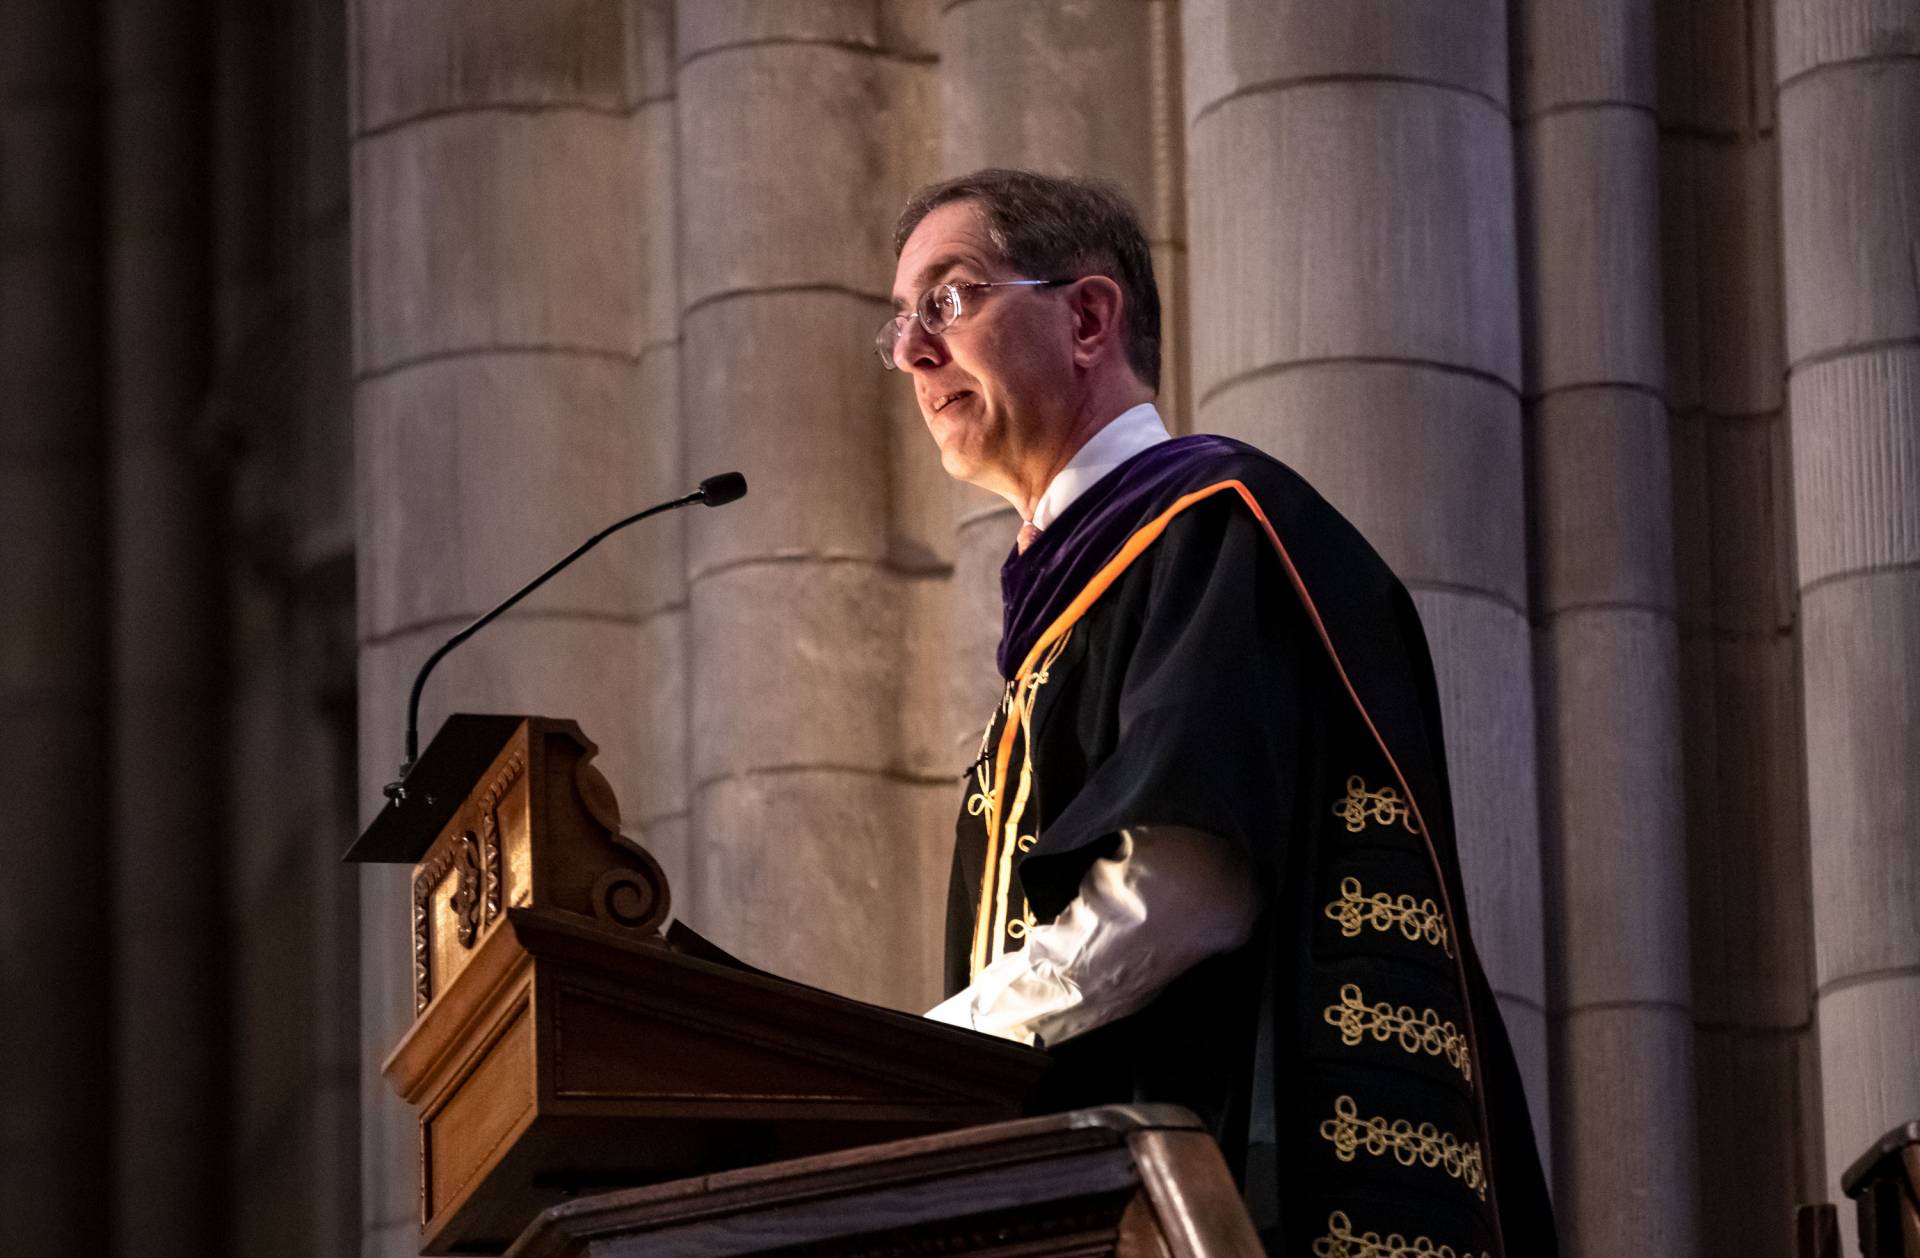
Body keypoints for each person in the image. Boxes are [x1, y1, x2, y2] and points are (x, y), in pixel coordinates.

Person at [887, 169, 1556, 1257]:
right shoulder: (1078, 600)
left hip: (1239, 1195)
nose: (915, 352)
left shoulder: (1213, 528)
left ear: (1089, 316)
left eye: (948, 300)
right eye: (902, 323)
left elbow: (1186, 893)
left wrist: (919, 1054)